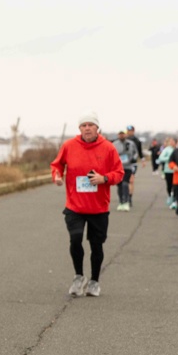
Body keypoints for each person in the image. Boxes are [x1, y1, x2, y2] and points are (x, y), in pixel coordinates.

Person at [50, 112, 124, 297]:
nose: (87, 128)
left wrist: (104, 178)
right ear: (80, 128)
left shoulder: (108, 148)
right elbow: (57, 165)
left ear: (97, 128)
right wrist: (57, 176)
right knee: (75, 239)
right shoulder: (69, 146)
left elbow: (119, 173)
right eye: (84, 125)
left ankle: (94, 281)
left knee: (96, 245)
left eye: (91, 125)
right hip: (75, 205)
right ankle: (78, 276)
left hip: (98, 207)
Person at [112, 130, 139, 211]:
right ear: (118, 135)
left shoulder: (131, 143)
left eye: (123, 134)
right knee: (119, 185)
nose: (121, 135)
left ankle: (126, 202)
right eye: (120, 134)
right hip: (118, 167)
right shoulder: (114, 144)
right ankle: (121, 202)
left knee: (125, 184)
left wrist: (134, 158)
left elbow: (136, 153)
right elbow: (111, 154)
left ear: (125, 135)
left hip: (128, 167)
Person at [125, 125, 144, 207]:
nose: (129, 132)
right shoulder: (123, 139)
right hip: (123, 164)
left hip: (132, 163)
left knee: (131, 180)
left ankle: (129, 197)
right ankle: (124, 196)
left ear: (133, 131)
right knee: (124, 182)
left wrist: (142, 160)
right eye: (128, 131)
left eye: (131, 131)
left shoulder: (137, 140)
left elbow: (140, 151)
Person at [157, 137, 178, 208]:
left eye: (173, 141)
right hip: (168, 170)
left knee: (175, 186)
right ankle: (169, 195)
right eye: (170, 141)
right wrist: (169, 158)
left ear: (175, 142)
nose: (171, 143)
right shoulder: (166, 149)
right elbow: (161, 158)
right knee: (169, 185)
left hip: (176, 170)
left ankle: (174, 200)